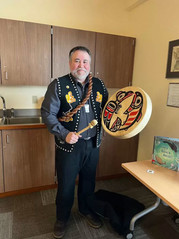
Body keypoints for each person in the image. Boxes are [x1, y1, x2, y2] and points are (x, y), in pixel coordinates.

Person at [41, 46, 108, 238]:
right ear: (70, 63)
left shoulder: (100, 85)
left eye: (85, 61)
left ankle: (86, 210)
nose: (81, 65)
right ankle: (62, 218)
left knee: (88, 181)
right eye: (77, 61)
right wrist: (64, 133)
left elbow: (108, 110)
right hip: (69, 146)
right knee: (66, 184)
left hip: (93, 144)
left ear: (90, 64)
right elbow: (47, 114)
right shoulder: (58, 85)